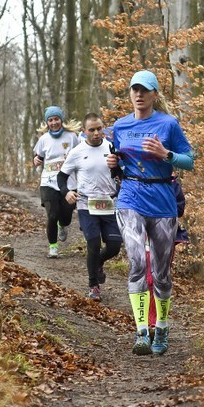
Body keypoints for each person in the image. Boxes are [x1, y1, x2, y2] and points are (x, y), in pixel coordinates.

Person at [107, 70, 194, 356]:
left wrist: (166, 154)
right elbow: (122, 163)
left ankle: (163, 328)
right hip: (130, 197)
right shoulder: (120, 126)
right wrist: (114, 164)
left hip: (162, 201)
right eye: (135, 89)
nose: (139, 94)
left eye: (145, 90)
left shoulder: (168, 124)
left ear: (155, 94)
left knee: (161, 273)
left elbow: (189, 161)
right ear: (130, 94)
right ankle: (142, 332)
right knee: (136, 264)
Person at [57, 112, 122, 302]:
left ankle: (98, 262)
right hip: (86, 204)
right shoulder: (77, 152)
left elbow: (121, 173)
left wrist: (118, 170)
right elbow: (61, 176)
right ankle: (93, 285)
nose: (96, 133)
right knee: (93, 243)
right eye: (92, 130)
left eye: (99, 129)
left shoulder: (112, 148)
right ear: (84, 131)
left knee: (114, 246)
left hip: (109, 203)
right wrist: (67, 192)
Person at [32, 106, 80, 258]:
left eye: (56, 119)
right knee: (52, 215)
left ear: (61, 120)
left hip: (68, 182)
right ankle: (53, 247)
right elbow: (38, 157)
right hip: (49, 182)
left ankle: (63, 225)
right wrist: (36, 160)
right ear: (47, 122)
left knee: (66, 216)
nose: (53, 123)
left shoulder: (71, 137)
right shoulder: (43, 139)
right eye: (50, 120)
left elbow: (81, 154)